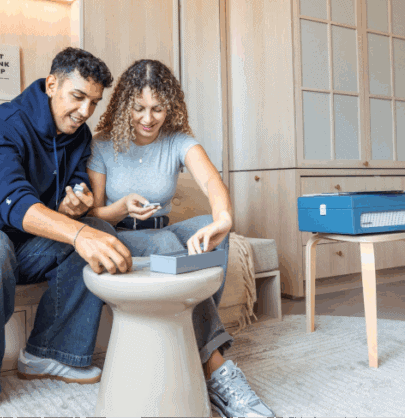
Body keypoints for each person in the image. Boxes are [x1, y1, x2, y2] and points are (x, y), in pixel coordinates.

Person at [0, 47, 133, 418]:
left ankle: (47, 354)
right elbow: (14, 204)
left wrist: (77, 203)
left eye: (94, 103)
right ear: (52, 84)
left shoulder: (78, 135)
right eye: (78, 97)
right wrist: (77, 233)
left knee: (96, 227)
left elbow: (78, 181)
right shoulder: (2, 126)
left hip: (18, 247)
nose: (85, 112)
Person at [86, 59, 276, 418]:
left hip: (162, 232)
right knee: (166, 246)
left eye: (157, 108)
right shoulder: (103, 145)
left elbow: (211, 183)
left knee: (209, 233)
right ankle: (216, 367)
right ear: (124, 104)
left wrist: (223, 219)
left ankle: (193, 342)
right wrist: (122, 207)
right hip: (121, 235)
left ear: (170, 106)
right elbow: (93, 214)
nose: (148, 118)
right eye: (139, 108)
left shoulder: (178, 141)